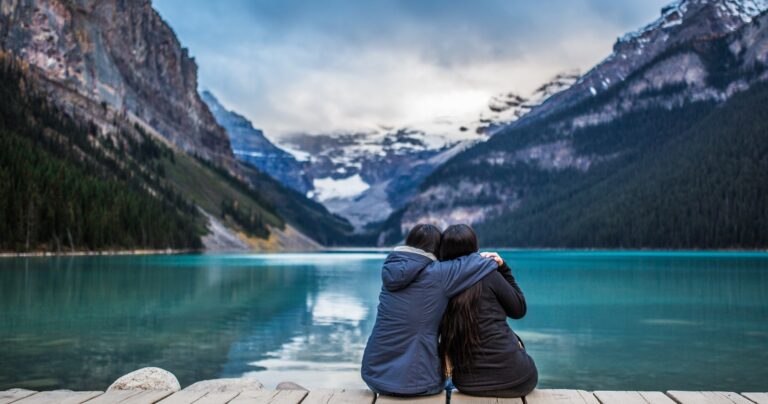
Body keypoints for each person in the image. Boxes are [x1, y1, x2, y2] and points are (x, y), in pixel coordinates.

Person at [361, 223, 501, 396]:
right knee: (452, 384)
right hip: (417, 384)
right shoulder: (438, 274)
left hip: (373, 376)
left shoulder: (391, 269)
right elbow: (477, 262)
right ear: (436, 249)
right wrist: (494, 259)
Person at [439, 224, 537, 398]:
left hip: (468, 385)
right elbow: (518, 310)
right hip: (519, 379)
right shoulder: (490, 274)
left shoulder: (439, 283)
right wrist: (503, 268)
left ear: (443, 251)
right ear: (475, 248)